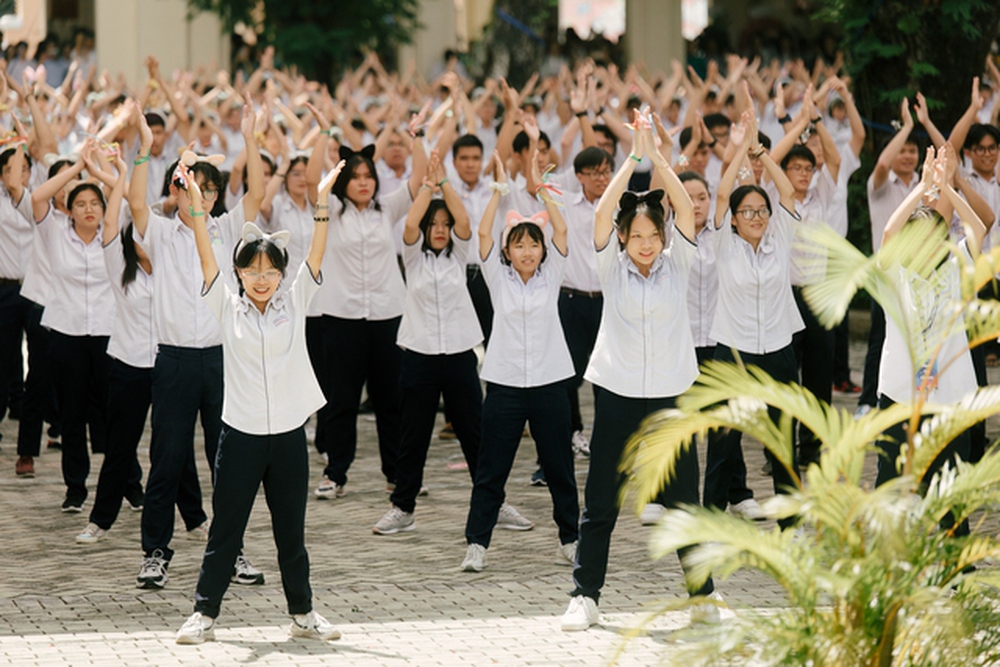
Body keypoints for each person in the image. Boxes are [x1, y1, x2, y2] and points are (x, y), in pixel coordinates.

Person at [174, 154, 345, 645]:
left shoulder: (295, 302)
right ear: (240, 274)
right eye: (253, 270)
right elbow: (206, 255)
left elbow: (315, 255)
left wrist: (320, 203)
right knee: (226, 530)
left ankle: (304, 614)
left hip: (289, 435)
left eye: (271, 270)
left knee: (291, 533)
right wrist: (196, 207)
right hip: (242, 434)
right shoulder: (228, 309)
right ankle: (204, 614)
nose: (263, 278)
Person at [561, 117, 722, 632]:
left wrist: (660, 156)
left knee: (683, 503)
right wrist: (633, 157)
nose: (646, 243)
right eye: (638, 236)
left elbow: (686, 208)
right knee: (602, 499)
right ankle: (585, 595)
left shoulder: (682, 263)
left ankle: (703, 598)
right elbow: (603, 214)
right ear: (625, 239)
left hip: (672, 396)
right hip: (618, 392)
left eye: (654, 234)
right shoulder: (612, 266)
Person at [129, 94, 265, 589]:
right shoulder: (162, 234)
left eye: (208, 191)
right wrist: (145, 148)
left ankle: (233, 552)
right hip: (173, 362)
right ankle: (155, 553)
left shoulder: (229, 230)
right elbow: (136, 202)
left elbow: (256, 195)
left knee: (227, 460)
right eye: (192, 189)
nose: (200, 198)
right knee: (166, 458)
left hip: (220, 360)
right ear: (179, 191)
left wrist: (250, 139)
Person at [373, 152, 532, 534]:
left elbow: (464, 221)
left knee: (475, 432)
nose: (441, 229)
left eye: (445, 225)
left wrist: (443, 183)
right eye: (435, 224)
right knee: (413, 435)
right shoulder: (413, 258)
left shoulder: (458, 256)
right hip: (420, 355)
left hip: (460, 352)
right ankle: (403, 507)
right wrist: (427, 187)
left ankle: (495, 502)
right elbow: (410, 222)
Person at [460, 150, 580, 572]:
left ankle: (571, 538)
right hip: (506, 384)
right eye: (519, 244)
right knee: (492, 470)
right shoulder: (497, 277)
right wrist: (498, 189)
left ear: (542, 250)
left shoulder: (552, 275)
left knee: (559, 467)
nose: (527, 251)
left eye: (533, 244)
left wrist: (540, 186)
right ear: (509, 251)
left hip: (549, 382)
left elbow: (562, 227)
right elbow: (484, 234)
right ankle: (477, 544)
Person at [308, 132, 425, 500]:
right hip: (341, 317)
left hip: (386, 315)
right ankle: (335, 472)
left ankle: (396, 473)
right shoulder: (332, 211)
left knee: (390, 401)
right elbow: (313, 181)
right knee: (342, 400)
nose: (363, 183)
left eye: (368, 176)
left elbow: (419, 180)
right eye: (356, 177)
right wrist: (322, 134)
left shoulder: (386, 209)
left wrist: (417, 138)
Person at [701, 111, 802, 526]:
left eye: (762, 211)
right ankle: (707, 521)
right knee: (725, 439)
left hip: (778, 348)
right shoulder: (725, 243)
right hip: (735, 351)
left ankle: (791, 524)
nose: (758, 217)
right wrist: (740, 148)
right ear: (736, 220)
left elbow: (788, 194)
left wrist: (763, 153)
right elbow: (723, 196)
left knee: (782, 441)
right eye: (750, 212)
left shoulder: (780, 240)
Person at [874, 146, 985, 493]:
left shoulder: (955, 269)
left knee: (948, 484)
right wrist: (921, 189)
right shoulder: (895, 276)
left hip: (949, 392)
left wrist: (948, 185)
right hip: (900, 391)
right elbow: (889, 234)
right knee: (890, 480)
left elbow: (978, 230)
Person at [27, 140, 115, 511]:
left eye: (95, 203)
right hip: (66, 332)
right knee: (72, 414)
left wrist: (97, 173)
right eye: (80, 204)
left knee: (112, 413)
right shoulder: (55, 232)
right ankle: (75, 488)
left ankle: (125, 482)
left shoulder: (111, 233)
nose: (89, 209)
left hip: (109, 332)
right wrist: (77, 166)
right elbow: (37, 197)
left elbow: (124, 195)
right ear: (70, 209)